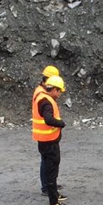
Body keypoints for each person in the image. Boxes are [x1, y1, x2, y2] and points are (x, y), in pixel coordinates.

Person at [32, 75, 68, 205]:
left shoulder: (42, 97)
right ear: (54, 89)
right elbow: (48, 119)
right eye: (59, 91)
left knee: (50, 168)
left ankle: (54, 195)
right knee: (52, 170)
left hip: (45, 140)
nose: (59, 95)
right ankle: (54, 202)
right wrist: (61, 123)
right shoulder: (46, 102)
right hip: (49, 141)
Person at [34, 66, 62, 195]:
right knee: (47, 163)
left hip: (44, 135)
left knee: (46, 161)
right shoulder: (43, 96)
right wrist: (60, 124)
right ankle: (47, 187)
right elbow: (48, 118)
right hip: (46, 136)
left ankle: (49, 185)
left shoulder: (41, 92)